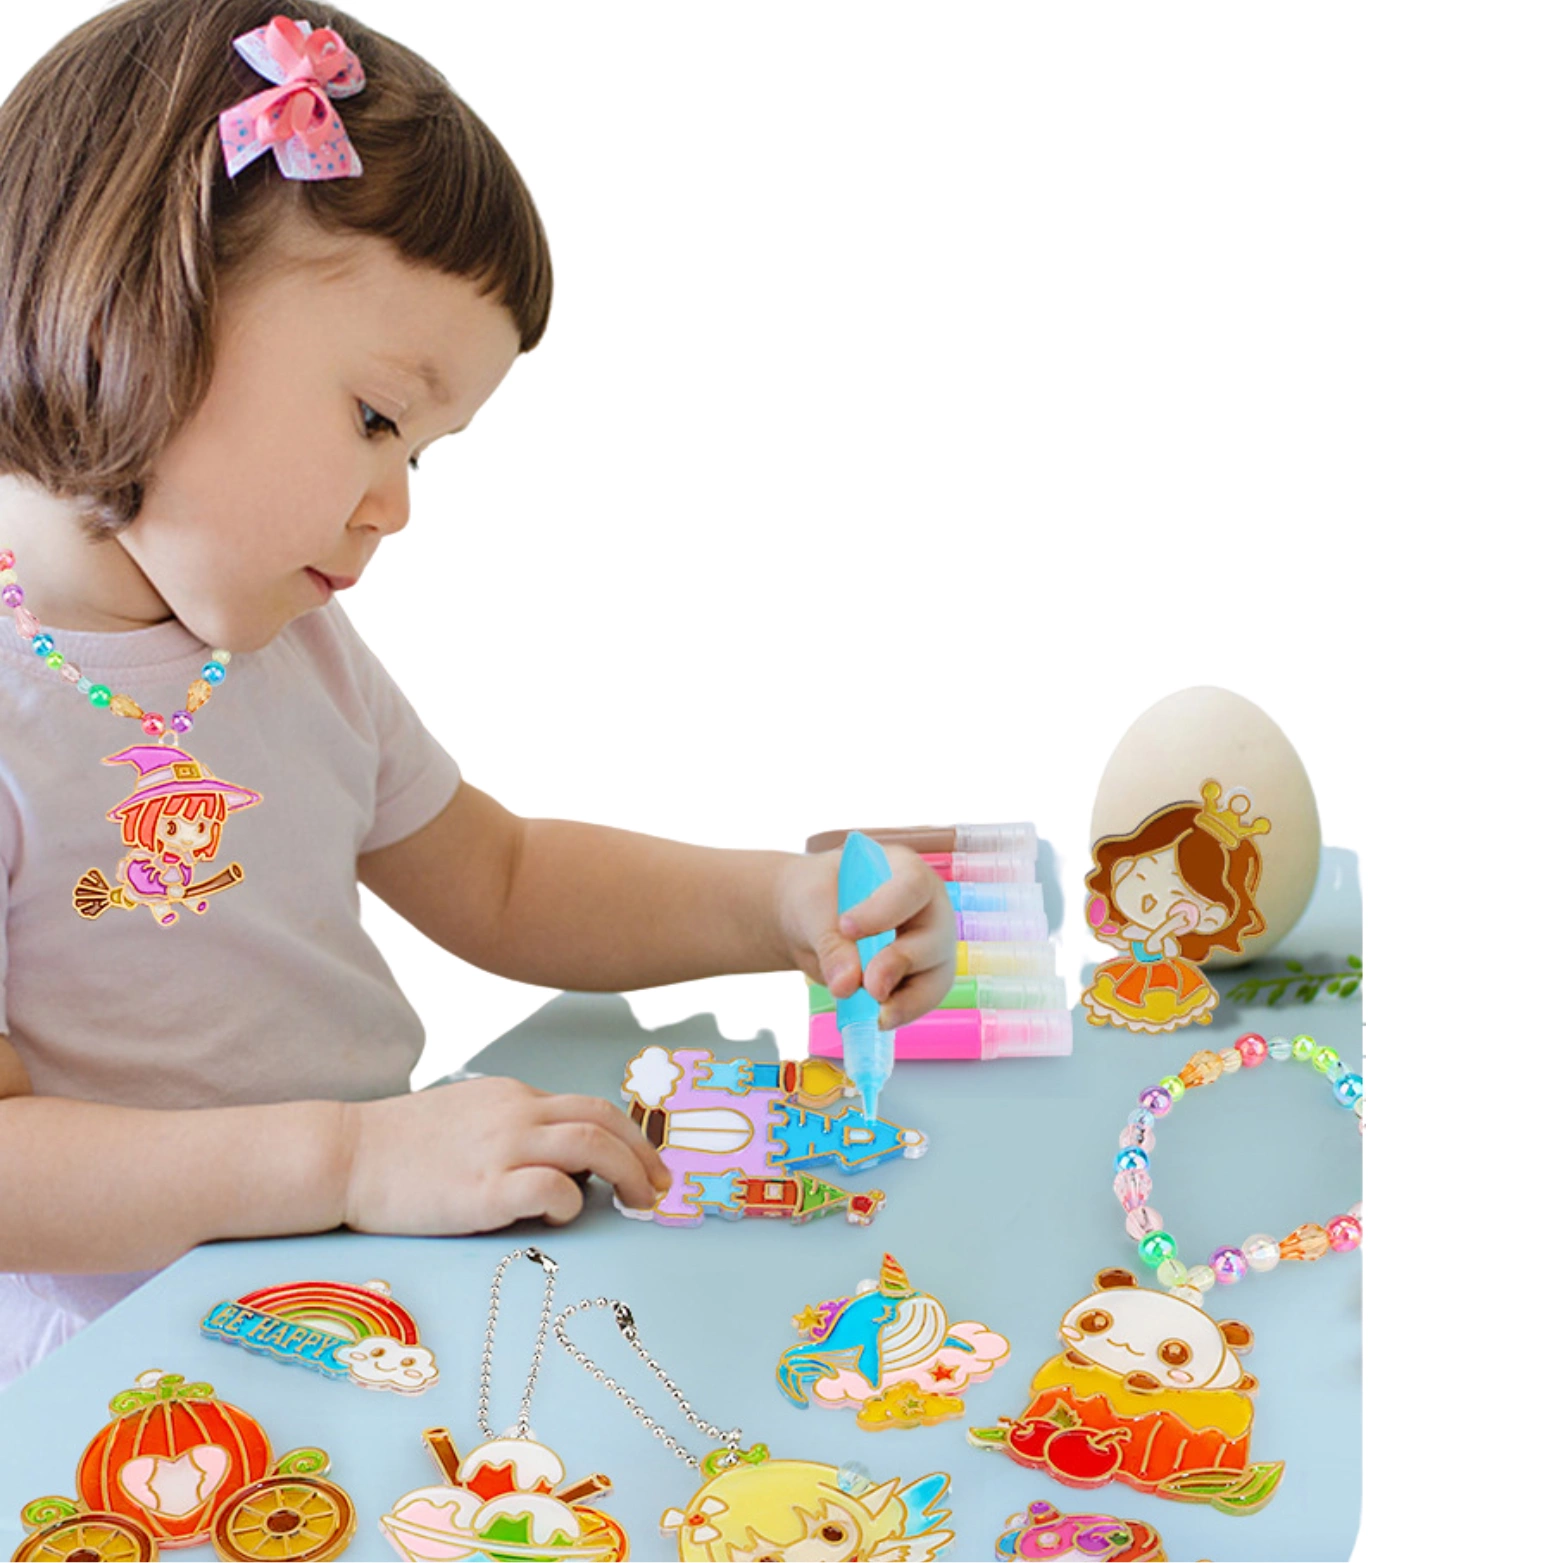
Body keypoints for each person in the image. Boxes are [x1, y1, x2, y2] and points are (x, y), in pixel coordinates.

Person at [0, 0, 954, 1389]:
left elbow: (497, 877)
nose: (393, 506)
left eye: (423, 455)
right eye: (377, 419)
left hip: (360, 1302)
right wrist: (350, 1155)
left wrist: (781, 906)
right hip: (122, 1388)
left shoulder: (285, 645)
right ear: (144, 313)